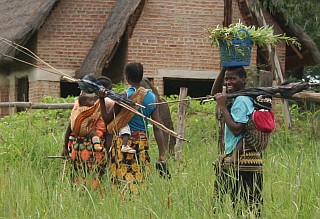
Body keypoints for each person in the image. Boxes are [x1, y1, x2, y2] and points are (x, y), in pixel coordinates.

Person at [98, 62, 166, 194]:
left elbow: (107, 118)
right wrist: (161, 153)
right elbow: (157, 128)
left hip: (123, 144)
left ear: (127, 76)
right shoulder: (152, 98)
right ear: (141, 76)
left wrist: (101, 99)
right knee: (139, 176)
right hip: (141, 143)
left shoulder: (124, 96)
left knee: (121, 177)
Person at [211, 66, 263, 215]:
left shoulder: (240, 100)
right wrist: (223, 69)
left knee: (226, 205)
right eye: (227, 79)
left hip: (239, 162)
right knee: (250, 208)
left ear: (243, 80)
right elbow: (215, 94)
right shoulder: (242, 97)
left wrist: (222, 106)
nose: (228, 82)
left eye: (233, 78)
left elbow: (236, 129)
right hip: (249, 161)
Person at [62, 76, 115, 190]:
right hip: (97, 146)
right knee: (96, 175)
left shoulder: (79, 103)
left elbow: (71, 125)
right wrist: (109, 150)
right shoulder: (108, 102)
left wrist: (65, 146)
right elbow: (109, 130)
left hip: (76, 144)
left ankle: (79, 197)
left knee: (77, 174)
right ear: (107, 90)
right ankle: (93, 198)